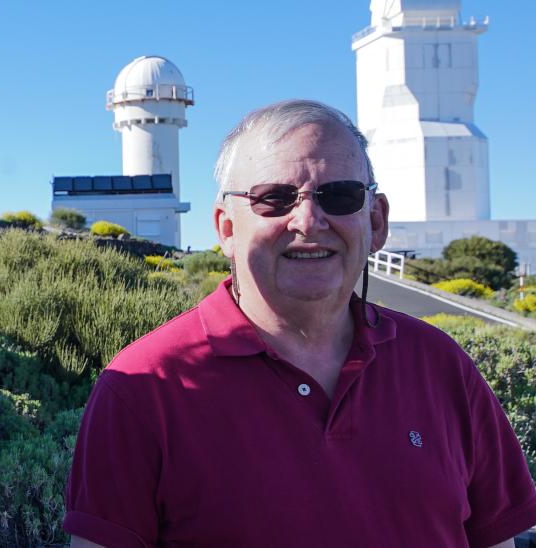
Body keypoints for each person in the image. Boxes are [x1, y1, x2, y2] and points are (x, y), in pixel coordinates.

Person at [64, 99, 536, 547]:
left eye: (340, 195)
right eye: (274, 198)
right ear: (226, 228)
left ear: (376, 221)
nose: (308, 220)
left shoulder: (441, 366)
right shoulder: (145, 386)